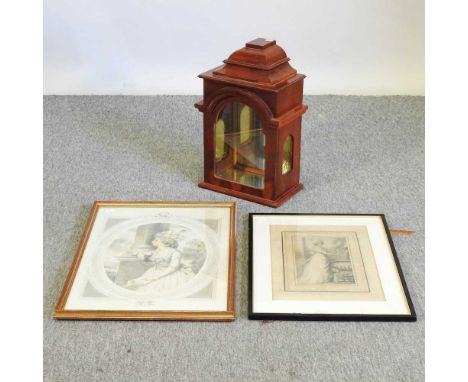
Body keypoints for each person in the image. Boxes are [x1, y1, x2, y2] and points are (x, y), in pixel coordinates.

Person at [125, 230, 195, 292]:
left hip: (169, 274)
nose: (153, 241)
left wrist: (156, 277)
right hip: (153, 272)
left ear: (163, 241)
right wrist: (137, 253)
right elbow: (148, 260)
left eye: (156, 240)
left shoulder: (175, 252)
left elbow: (173, 268)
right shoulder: (157, 251)